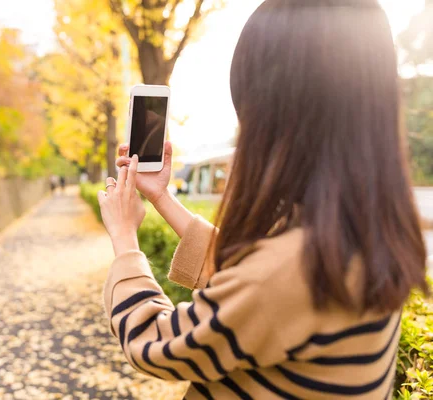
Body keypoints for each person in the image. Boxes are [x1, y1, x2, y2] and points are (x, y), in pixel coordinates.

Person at [96, 1, 428, 399]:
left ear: (279, 114)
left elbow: (153, 345)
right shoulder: (360, 234)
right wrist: (162, 197)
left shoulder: (294, 269)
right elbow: (249, 272)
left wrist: (124, 239)